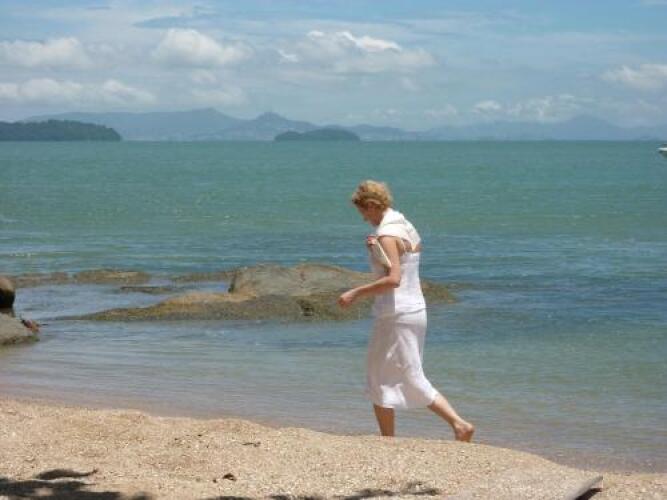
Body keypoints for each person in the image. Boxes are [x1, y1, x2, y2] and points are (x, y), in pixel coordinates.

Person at [338, 180, 474, 441]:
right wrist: (377, 250)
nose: (363, 218)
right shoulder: (403, 225)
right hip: (412, 310)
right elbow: (406, 258)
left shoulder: (387, 235)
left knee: (393, 375)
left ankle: (458, 424)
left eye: (363, 211)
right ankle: (389, 439)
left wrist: (355, 292)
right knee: (395, 374)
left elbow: (394, 279)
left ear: (372, 205)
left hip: (396, 314)